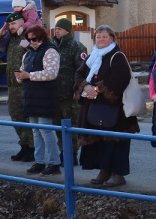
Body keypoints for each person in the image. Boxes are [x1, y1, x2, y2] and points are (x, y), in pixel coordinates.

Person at [74, 25, 139, 187]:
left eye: (104, 37)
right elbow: (79, 74)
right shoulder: (93, 56)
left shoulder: (117, 56)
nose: (101, 39)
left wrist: (97, 89)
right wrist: (85, 86)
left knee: (115, 142)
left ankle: (118, 174)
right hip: (94, 107)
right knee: (100, 142)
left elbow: (120, 78)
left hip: (114, 109)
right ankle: (104, 171)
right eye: (98, 37)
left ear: (112, 38)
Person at [15, 25, 61, 176]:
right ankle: (39, 161)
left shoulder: (50, 51)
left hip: (45, 96)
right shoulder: (27, 54)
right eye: (28, 39)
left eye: (34, 39)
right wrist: (20, 76)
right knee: (36, 131)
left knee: (46, 131)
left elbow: (51, 73)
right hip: (31, 95)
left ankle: (54, 163)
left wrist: (29, 76)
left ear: (42, 37)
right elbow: (24, 72)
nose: (31, 42)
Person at [0, 12, 34, 162]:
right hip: (12, 85)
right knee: (16, 116)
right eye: (9, 25)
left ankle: (32, 148)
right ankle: (24, 146)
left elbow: (37, 53)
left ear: (22, 22)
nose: (11, 27)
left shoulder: (29, 36)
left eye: (13, 24)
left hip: (27, 84)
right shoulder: (10, 39)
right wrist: (0, 33)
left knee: (27, 117)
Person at [52, 18, 88, 165]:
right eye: (56, 28)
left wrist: (78, 90)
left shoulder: (77, 47)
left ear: (67, 30)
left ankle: (72, 154)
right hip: (55, 94)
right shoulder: (52, 46)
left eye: (59, 28)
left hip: (70, 95)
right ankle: (62, 152)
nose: (56, 30)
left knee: (71, 125)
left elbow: (82, 71)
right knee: (58, 126)